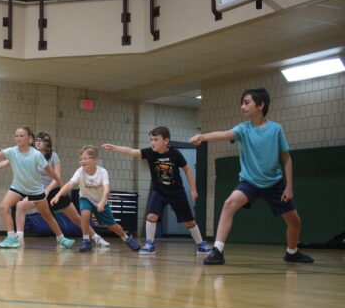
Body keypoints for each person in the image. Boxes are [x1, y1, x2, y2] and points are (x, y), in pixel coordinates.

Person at [190, 88, 313, 265]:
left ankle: (292, 252)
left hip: (274, 184)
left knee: (295, 222)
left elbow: (286, 158)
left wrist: (289, 187)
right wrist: (203, 136)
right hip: (250, 182)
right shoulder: (243, 129)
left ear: (260, 105)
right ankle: (217, 250)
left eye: (246, 103)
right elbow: (225, 134)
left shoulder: (276, 129)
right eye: (242, 103)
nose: (242, 107)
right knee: (229, 204)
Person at [0, 131, 110, 248]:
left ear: (47, 144)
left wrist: (48, 191)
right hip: (37, 192)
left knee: (76, 218)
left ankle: (96, 237)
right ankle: (19, 237)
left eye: (41, 141)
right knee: (20, 206)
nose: (38, 142)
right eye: (36, 140)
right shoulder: (29, 154)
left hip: (55, 192)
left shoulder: (53, 156)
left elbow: (57, 177)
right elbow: (7, 160)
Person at [102, 126, 212, 255]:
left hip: (176, 192)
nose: (152, 142)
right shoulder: (150, 153)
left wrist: (193, 189)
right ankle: (149, 244)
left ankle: (201, 245)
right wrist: (114, 148)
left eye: (155, 139)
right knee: (151, 216)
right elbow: (131, 151)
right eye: (151, 140)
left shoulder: (175, 154)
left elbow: (187, 170)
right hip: (159, 191)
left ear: (165, 141)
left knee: (189, 221)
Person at [0, 127, 75, 249]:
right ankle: (11, 237)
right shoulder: (12, 151)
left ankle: (61, 238)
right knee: (3, 206)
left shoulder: (36, 155)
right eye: (16, 136)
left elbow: (50, 172)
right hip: (18, 187)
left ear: (29, 139)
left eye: (21, 136)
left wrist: (60, 183)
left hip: (36, 190)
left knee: (46, 214)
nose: (18, 138)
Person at [51, 146, 141, 253]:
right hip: (86, 198)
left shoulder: (102, 172)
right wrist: (58, 195)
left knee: (112, 226)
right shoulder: (80, 171)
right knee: (84, 213)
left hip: (101, 201)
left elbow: (107, 190)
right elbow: (70, 184)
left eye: (86, 158)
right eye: (81, 159)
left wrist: (102, 202)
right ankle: (85, 240)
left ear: (95, 160)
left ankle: (126, 238)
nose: (83, 161)